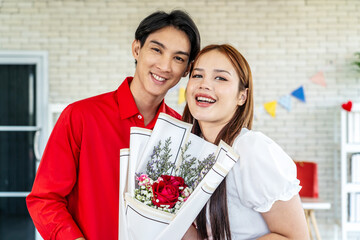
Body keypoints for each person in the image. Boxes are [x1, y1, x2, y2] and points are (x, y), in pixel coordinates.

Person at [26, 10, 200, 240]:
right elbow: (45, 199)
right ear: (137, 49)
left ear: (187, 69)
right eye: (156, 50)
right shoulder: (80, 116)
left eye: (178, 58)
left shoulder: (182, 132)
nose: (165, 66)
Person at [182, 44, 309, 239]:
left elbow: (296, 237)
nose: (204, 84)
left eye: (221, 78)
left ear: (242, 96)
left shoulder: (250, 149)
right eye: (197, 75)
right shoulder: (195, 151)